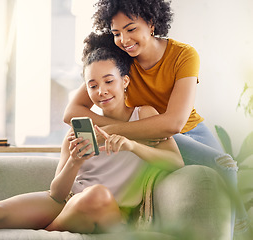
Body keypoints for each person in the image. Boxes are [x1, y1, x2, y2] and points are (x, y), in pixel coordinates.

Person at [63, 0, 249, 238]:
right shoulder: (120, 60)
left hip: (190, 129)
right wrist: (126, 129)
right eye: (116, 33)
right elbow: (71, 112)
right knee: (226, 164)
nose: (124, 40)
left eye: (131, 29)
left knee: (227, 167)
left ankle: (241, 230)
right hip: (149, 128)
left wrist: (115, 130)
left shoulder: (184, 55)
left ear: (151, 24)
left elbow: (173, 123)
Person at [0, 31, 184, 234]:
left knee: (96, 195)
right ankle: (53, 227)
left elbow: (175, 162)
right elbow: (57, 194)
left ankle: (46, 231)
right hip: (69, 201)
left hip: (112, 210)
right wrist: (74, 162)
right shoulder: (80, 128)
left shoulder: (145, 116)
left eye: (109, 81)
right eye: (93, 85)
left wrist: (133, 145)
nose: (101, 91)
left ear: (125, 81)